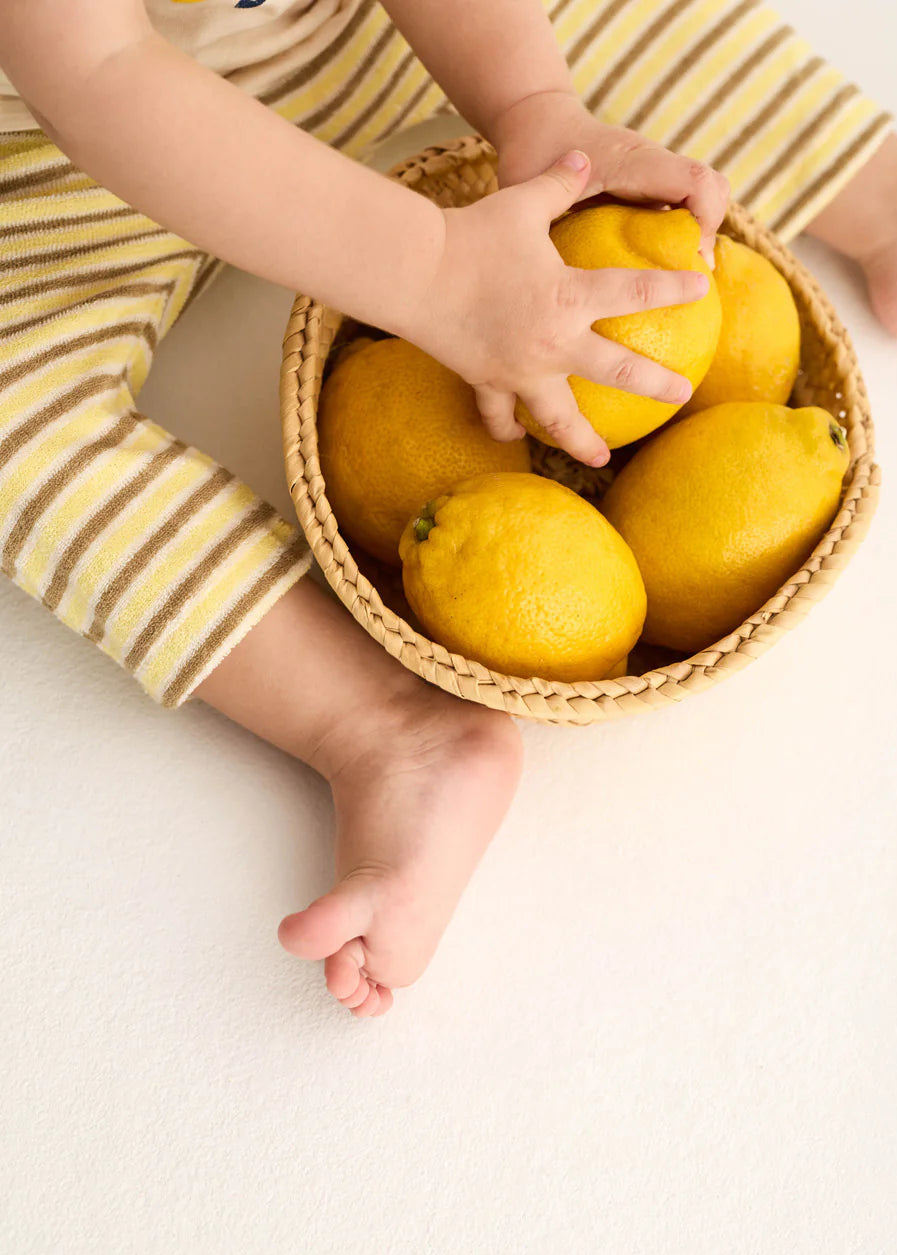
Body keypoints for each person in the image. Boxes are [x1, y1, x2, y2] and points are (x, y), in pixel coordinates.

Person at [1, 0, 893, 1018]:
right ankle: (385, 728)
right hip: (68, 135)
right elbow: (102, 69)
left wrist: (532, 104)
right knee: (12, 409)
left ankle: (882, 193)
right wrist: (433, 273)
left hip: (337, 24)